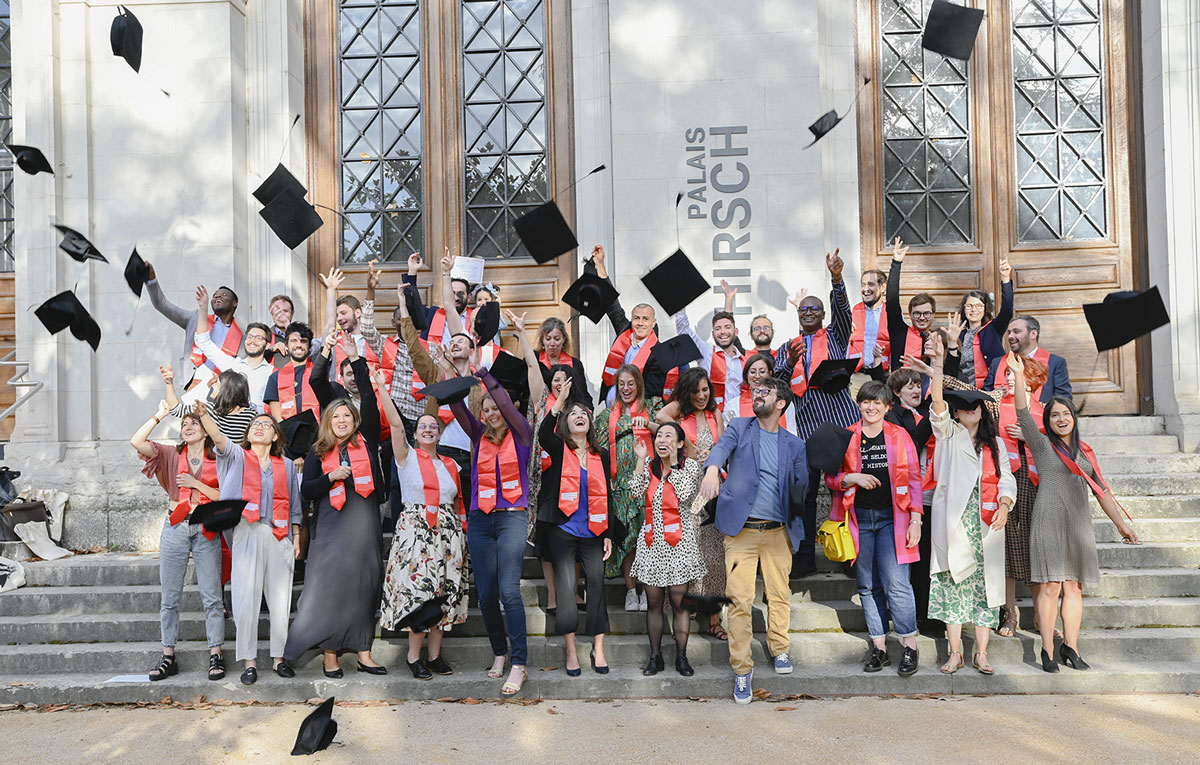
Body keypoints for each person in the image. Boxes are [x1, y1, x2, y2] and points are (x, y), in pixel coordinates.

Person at [1009, 352, 1139, 672]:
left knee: (1073, 587)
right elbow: (1023, 412)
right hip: (1048, 521)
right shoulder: (1041, 445)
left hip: (1078, 524)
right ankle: (1048, 649)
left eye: (1066, 414)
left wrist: (1122, 525)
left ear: (1074, 418)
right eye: (1055, 415)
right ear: (1049, 422)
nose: (1061, 419)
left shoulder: (1085, 453)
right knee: (1051, 586)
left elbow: (1102, 492)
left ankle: (1072, 647)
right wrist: (1020, 379)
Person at [701, 376, 809, 704]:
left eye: (765, 392)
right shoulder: (740, 427)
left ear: (781, 404)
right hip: (741, 532)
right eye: (756, 390)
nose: (757, 395)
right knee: (740, 601)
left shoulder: (795, 445)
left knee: (779, 596)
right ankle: (742, 670)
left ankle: (779, 649)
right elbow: (720, 448)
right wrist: (711, 469)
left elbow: (801, 487)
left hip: (777, 532)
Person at [284, 335, 387, 678]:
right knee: (328, 588)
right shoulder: (318, 451)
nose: (343, 420)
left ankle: (363, 652)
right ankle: (330, 655)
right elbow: (308, 491)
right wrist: (331, 478)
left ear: (355, 421)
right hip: (330, 527)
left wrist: (357, 358)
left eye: (347, 415)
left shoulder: (368, 439)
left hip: (363, 524)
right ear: (328, 421)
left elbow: (369, 398)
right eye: (337, 416)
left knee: (364, 584)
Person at [924, 338, 1015, 676]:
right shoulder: (948, 436)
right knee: (952, 588)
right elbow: (936, 403)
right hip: (956, 523)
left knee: (984, 591)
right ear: (958, 413)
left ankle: (981, 654)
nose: (970, 411)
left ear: (982, 411)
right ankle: (955, 653)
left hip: (988, 523)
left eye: (975, 407)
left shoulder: (996, 444)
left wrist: (1005, 503)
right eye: (963, 407)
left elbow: (1007, 479)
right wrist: (936, 364)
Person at [193, 402, 301, 685]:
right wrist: (204, 417)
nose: (260, 428)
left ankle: (279, 658)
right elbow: (219, 440)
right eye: (255, 425)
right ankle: (250, 661)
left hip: (280, 534)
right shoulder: (239, 457)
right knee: (245, 599)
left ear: (276, 435)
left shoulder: (288, 466)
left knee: (280, 600)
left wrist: (297, 538)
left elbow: (297, 508)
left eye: (266, 424)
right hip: (247, 530)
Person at [826, 381, 923, 676]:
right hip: (859, 520)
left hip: (894, 519)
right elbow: (832, 478)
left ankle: (909, 646)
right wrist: (852, 477)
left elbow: (916, 479)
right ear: (859, 404)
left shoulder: (899, 435)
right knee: (868, 586)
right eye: (866, 401)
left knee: (897, 584)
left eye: (877, 403)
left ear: (886, 407)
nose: (871, 407)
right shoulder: (849, 436)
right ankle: (879, 648)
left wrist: (916, 520)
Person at [774, 249, 860, 576]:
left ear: (822, 314)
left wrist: (837, 280)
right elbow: (780, 388)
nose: (809, 312)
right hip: (809, 432)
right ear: (798, 314)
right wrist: (791, 362)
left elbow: (843, 313)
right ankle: (806, 556)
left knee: (850, 488)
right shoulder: (788, 346)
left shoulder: (836, 336)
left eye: (815, 309)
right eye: (804, 309)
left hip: (842, 427)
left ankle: (852, 556)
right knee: (806, 496)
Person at [450, 367, 534, 697]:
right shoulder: (477, 437)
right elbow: (458, 408)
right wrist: (451, 378)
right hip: (481, 520)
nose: (492, 414)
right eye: (486, 410)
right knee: (485, 595)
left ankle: (519, 663)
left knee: (509, 590)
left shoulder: (522, 433)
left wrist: (481, 374)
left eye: (496, 408)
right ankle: (500, 651)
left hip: (512, 517)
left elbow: (505, 403)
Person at [131, 403, 225, 682]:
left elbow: (225, 494)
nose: (189, 426)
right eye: (184, 424)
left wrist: (196, 485)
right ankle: (168, 655)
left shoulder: (219, 457)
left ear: (206, 431)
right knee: (170, 596)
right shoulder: (171, 454)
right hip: (176, 525)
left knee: (212, 596)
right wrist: (159, 415)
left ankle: (216, 653)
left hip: (207, 526)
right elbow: (137, 441)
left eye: (195, 423)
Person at [379, 401, 469, 679]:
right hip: (416, 533)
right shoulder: (407, 458)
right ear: (415, 434)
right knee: (420, 594)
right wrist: (382, 387)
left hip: (447, 533)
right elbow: (395, 425)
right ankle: (413, 656)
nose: (428, 430)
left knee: (442, 594)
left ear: (440, 434)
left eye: (434, 427)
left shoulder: (452, 465)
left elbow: (457, 503)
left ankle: (434, 656)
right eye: (423, 427)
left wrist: (460, 539)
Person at [538, 385, 617, 676]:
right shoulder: (560, 448)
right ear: (566, 423)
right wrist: (559, 403)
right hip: (563, 529)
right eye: (573, 414)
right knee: (567, 590)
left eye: (583, 412)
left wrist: (608, 532)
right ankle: (571, 651)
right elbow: (543, 434)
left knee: (597, 588)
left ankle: (598, 648)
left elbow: (606, 494)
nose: (579, 416)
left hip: (594, 531)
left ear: (590, 421)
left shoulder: (602, 455)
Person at [656, 367, 728, 639]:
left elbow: (723, 447)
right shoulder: (679, 415)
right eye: (695, 390)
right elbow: (660, 417)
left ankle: (714, 620)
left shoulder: (715, 414)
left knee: (715, 558)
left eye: (705, 389)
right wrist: (687, 447)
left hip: (711, 492)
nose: (701, 395)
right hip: (685, 492)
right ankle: (680, 619)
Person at [630, 422, 705, 677]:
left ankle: (682, 657)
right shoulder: (650, 467)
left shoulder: (689, 467)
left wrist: (673, 464)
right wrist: (640, 460)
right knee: (653, 603)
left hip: (679, 543)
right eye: (659, 435)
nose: (662, 439)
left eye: (669, 436)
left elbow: (685, 494)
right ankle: (655, 656)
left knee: (679, 603)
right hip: (652, 543)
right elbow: (635, 492)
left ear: (681, 443)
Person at [595, 364, 662, 609]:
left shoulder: (653, 408)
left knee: (647, 539)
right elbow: (598, 451)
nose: (625, 388)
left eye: (630, 384)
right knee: (627, 541)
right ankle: (631, 590)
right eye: (621, 384)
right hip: (620, 487)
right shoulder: (606, 416)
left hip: (649, 486)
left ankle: (647, 589)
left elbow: (667, 432)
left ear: (639, 385)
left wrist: (646, 424)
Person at [995, 355, 1048, 637]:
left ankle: (1043, 615)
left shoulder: (1046, 411)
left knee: (1037, 549)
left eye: (1015, 373)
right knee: (1007, 548)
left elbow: (1059, 451)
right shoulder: (995, 407)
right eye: (1007, 373)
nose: (1009, 378)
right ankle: (1009, 613)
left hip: (1038, 482)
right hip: (1007, 478)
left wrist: (1031, 438)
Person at [884, 368, 935, 630]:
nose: (916, 391)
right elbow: (912, 443)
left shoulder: (926, 412)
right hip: (904, 497)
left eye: (918, 385)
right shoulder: (892, 416)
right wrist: (934, 415)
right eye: (910, 387)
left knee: (927, 557)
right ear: (896, 392)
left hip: (932, 492)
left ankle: (928, 613)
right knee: (909, 558)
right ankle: (909, 613)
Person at [144, 262, 243, 386]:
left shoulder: (242, 335)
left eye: (224, 295)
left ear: (235, 303)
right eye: (215, 295)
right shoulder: (196, 319)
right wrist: (151, 280)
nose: (218, 296)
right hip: (195, 384)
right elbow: (162, 305)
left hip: (223, 388)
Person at [360, 255, 426, 436]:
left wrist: (412, 274)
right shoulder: (385, 345)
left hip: (421, 422)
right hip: (392, 422)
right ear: (393, 323)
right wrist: (370, 291)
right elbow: (365, 328)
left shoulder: (430, 349)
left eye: (408, 320)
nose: (404, 323)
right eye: (400, 320)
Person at [590, 245, 659, 405]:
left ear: (653, 323)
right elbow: (612, 304)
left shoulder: (657, 350)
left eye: (645, 319)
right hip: (612, 406)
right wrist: (600, 266)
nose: (640, 323)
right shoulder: (624, 332)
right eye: (636, 318)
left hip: (639, 409)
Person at [192, 286, 274, 413]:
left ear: (268, 344)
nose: (252, 341)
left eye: (258, 338)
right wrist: (203, 309)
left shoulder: (272, 373)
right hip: (230, 425)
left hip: (256, 426)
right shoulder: (234, 365)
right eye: (250, 337)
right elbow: (204, 342)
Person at [671, 280, 741, 414]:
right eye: (718, 329)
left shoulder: (744, 359)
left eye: (727, 328)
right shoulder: (706, 351)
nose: (723, 332)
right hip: (711, 418)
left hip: (739, 422)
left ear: (736, 331)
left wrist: (729, 300)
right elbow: (684, 330)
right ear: (713, 334)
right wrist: (680, 303)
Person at [984, 315, 1072, 404]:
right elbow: (985, 398)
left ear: (1033, 334)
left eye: (1016, 332)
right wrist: (995, 394)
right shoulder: (997, 363)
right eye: (1009, 332)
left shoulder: (1054, 363)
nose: (1010, 336)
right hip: (1001, 416)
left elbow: (1063, 401)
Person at [956, 258, 1014, 388]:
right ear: (964, 308)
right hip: (964, 391)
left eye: (978, 306)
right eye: (970, 306)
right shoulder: (958, 334)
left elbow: (1007, 310)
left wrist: (1005, 277)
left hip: (992, 388)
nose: (974, 310)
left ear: (985, 309)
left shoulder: (993, 328)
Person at [162, 365, 256, 443]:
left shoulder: (251, 415)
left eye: (216, 383)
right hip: (212, 463)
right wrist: (169, 383)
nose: (212, 385)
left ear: (226, 390)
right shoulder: (208, 409)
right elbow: (176, 410)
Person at [402, 248, 475, 346]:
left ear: (469, 297)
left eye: (460, 294)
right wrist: (412, 271)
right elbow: (411, 305)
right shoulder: (432, 314)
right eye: (452, 293)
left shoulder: (476, 318)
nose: (456, 298)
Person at [316, 268, 381, 380]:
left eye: (343, 313)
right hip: (343, 394)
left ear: (358, 312)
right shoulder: (333, 340)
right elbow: (328, 327)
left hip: (371, 393)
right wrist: (330, 290)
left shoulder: (375, 339)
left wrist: (371, 289)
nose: (339, 318)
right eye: (336, 315)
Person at [265, 322, 321, 421]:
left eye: (303, 341)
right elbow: (278, 418)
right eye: (294, 341)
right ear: (286, 345)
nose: (298, 345)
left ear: (310, 347)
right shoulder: (275, 378)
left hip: (318, 433)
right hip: (287, 433)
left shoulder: (319, 374)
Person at [726, 353, 795, 431]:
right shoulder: (733, 405)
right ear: (746, 375)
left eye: (762, 372)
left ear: (770, 374)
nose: (757, 376)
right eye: (752, 372)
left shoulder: (783, 403)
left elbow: (792, 434)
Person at [848, 267, 890, 379]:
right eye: (863, 284)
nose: (865, 289)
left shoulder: (891, 313)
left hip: (883, 374)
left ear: (882, 287)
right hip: (858, 375)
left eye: (871, 284)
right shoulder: (853, 312)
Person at [534, 316, 589, 400]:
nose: (552, 343)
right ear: (542, 340)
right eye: (548, 339)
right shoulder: (534, 360)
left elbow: (583, 394)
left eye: (557, 339)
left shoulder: (575, 364)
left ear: (564, 340)